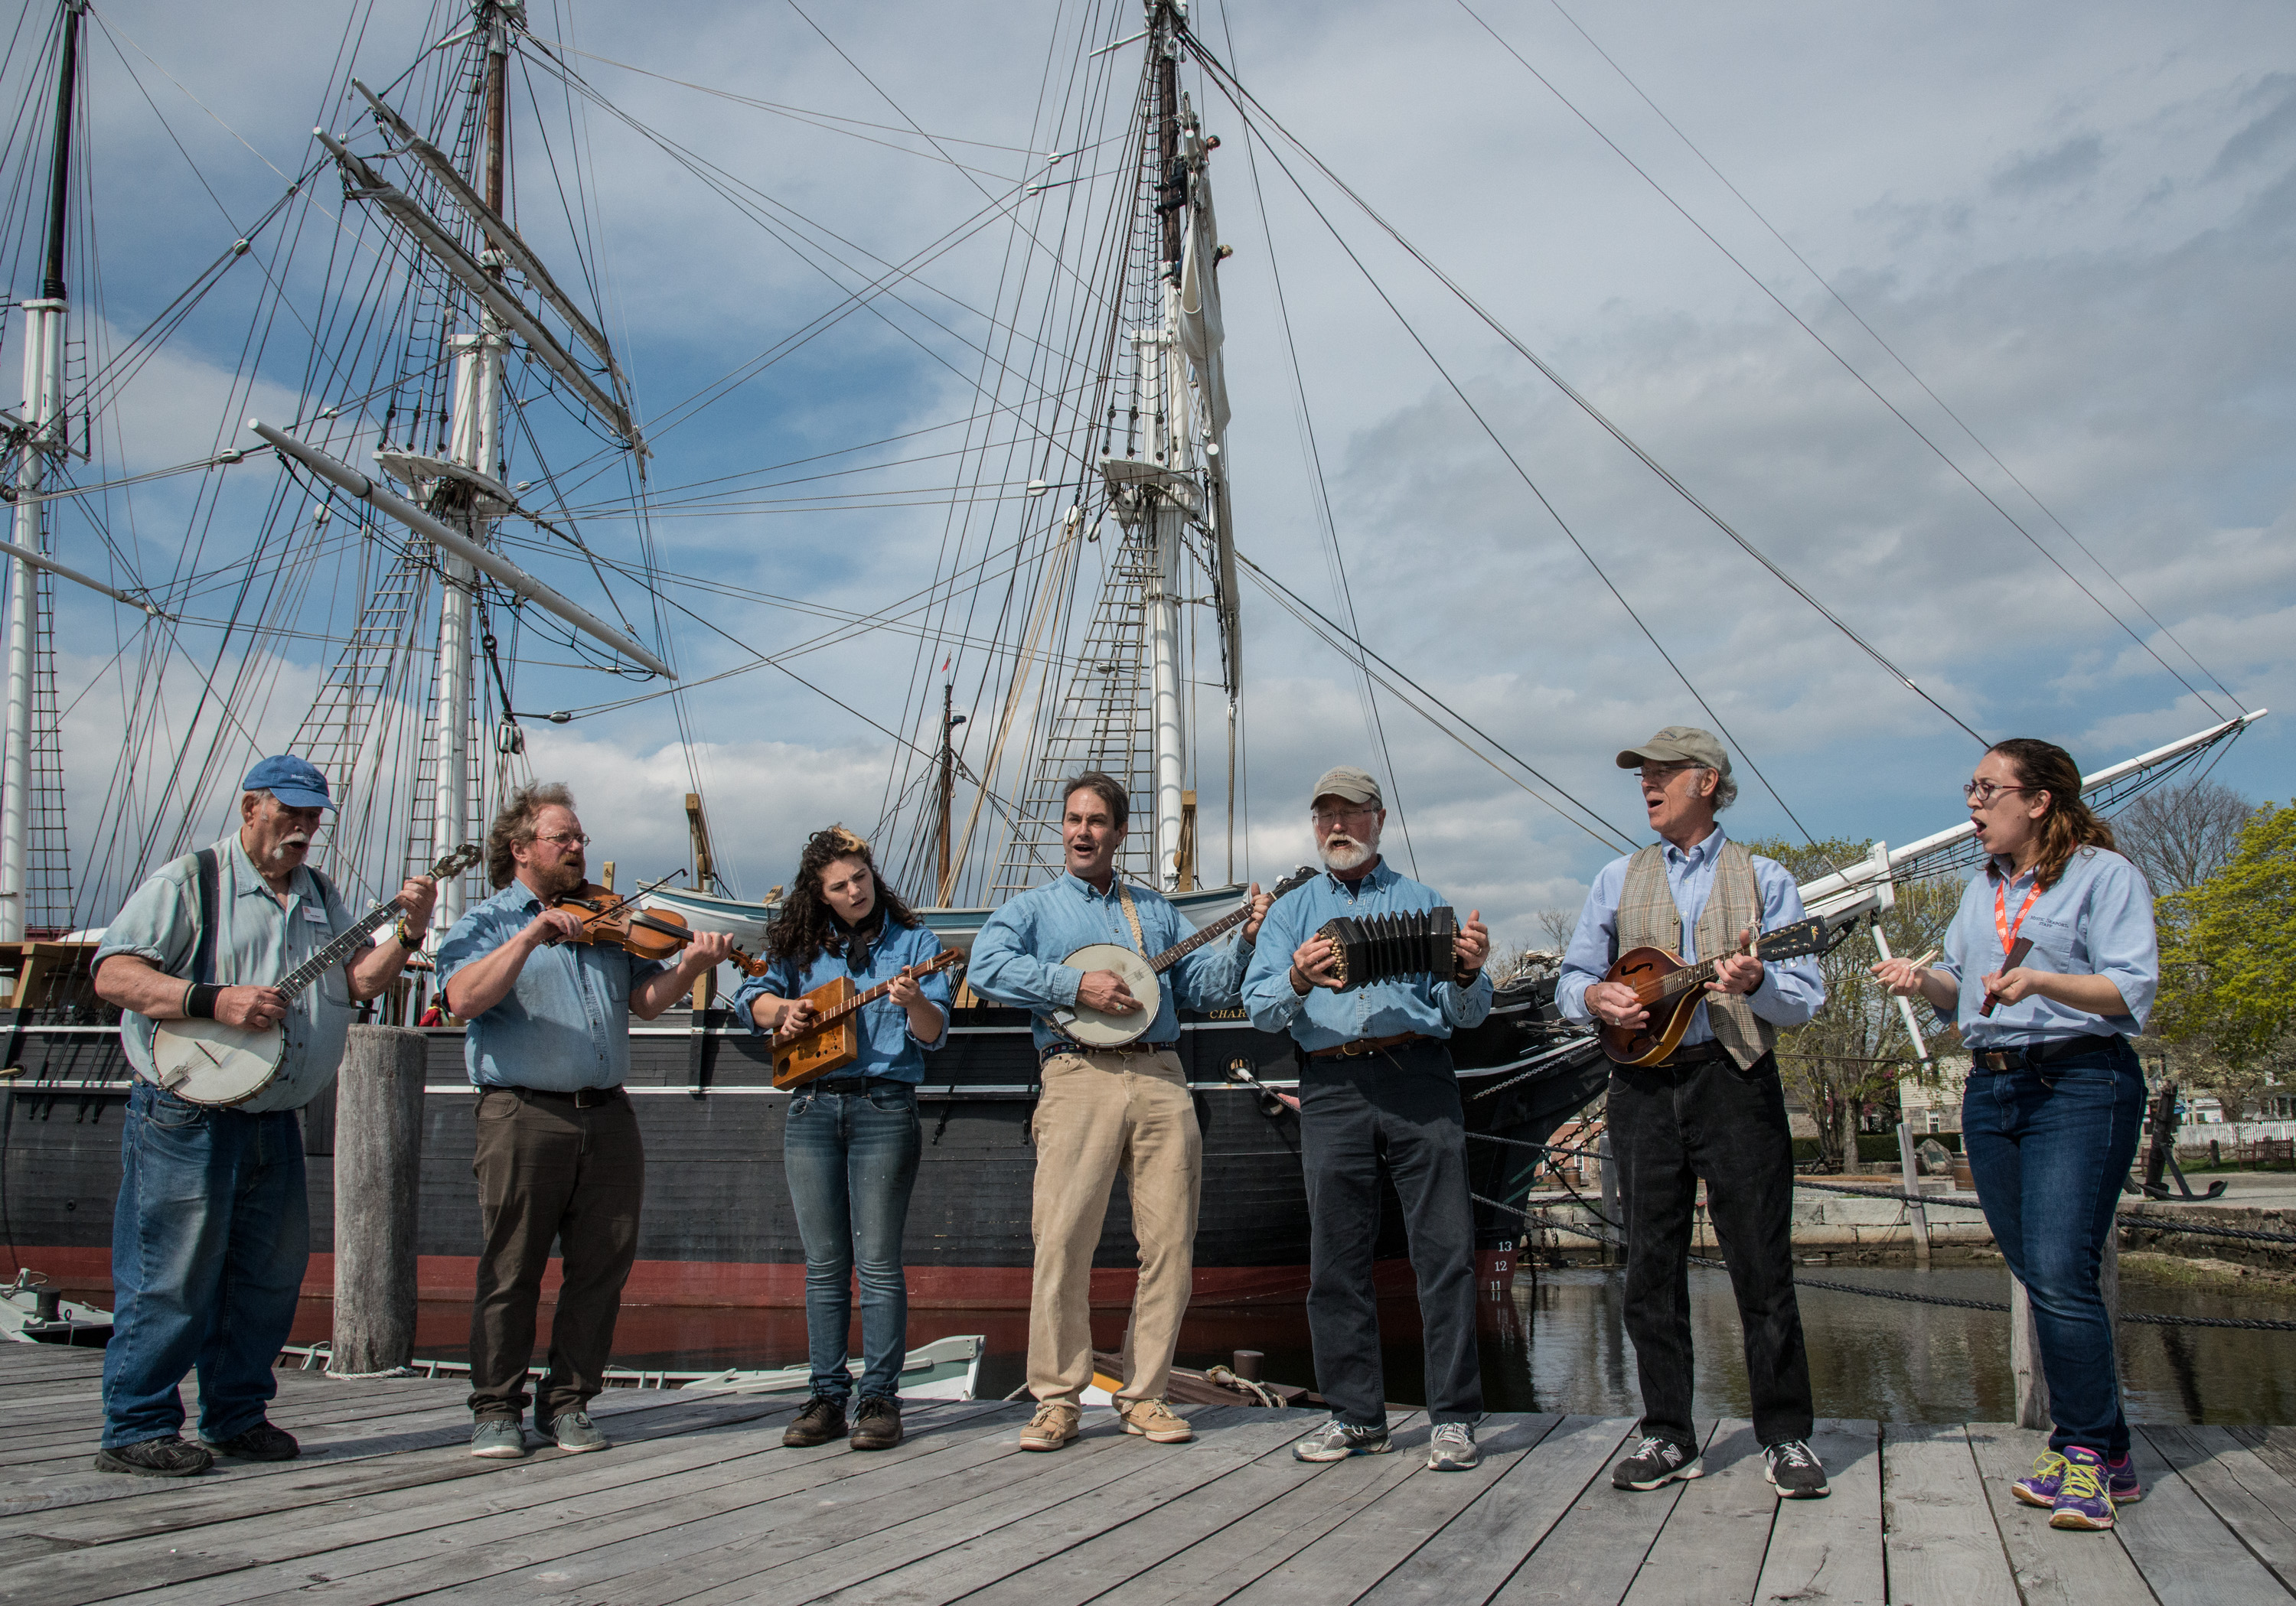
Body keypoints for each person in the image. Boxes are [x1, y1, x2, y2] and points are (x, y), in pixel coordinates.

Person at [90, 755, 438, 1476]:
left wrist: (408, 933)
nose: (305, 829)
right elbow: (113, 972)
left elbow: (356, 980)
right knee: (171, 1273)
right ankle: (136, 1425)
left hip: (275, 1113)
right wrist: (213, 1001)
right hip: (188, 1113)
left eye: (314, 817)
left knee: (268, 1275)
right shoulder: (192, 882)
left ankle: (237, 1414)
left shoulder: (317, 892)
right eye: (292, 813)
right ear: (251, 806)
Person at [1874, 738, 2157, 1532]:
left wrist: (2042, 979)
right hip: (1993, 1084)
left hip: (2078, 1079)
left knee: (2064, 1267)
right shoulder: (1979, 890)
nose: (1972, 802)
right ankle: (2112, 1449)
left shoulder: (2107, 877)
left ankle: (2085, 1452)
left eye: (1986, 788)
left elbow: (2130, 987)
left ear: (2038, 800)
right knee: (2039, 1270)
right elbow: (1964, 993)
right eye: (1970, 786)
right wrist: (1922, 980)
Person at [1556, 727, 1831, 1500]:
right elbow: (1574, 975)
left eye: (1663, 772)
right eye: (1642, 773)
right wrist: (1593, 996)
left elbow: (1803, 995)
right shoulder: (1616, 876)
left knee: (1761, 1263)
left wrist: (1754, 985)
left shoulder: (1767, 878)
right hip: (1640, 1087)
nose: (1647, 782)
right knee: (1649, 1263)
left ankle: (1785, 1434)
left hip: (1734, 1078)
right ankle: (1667, 1431)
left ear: (1708, 781)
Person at [968, 771, 1269, 1452]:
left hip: (1163, 1075)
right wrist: (1075, 983)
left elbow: (1206, 988)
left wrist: (1247, 938)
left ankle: (1145, 1395)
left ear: (1120, 832)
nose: (1082, 831)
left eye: (1097, 821)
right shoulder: (1035, 909)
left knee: (1170, 1245)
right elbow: (985, 966)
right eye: (1073, 819)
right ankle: (1056, 1398)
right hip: (1077, 1074)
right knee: (1064, 1240)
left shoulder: (1155, 911)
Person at [435, 781, 731, 1460]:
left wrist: (690, 964)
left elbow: (648, 1002)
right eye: (563, 838)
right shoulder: (485, 923)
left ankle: (568, 1401)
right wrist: (533, 933)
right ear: (520, 849)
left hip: (606, 1113)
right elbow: (461, 998)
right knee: (512, 1266)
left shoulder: (601, 916)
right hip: (522, 1112)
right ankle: (496, 1408)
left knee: (601, 1266)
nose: (577, 849)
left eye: (580, 838)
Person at [1240, 766, 1494, 1473]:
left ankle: (1453, 1418)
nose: (1337, 827)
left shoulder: (1425, 902)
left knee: (1443, 1251)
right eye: (1325, 816)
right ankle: (1357, 1417)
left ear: (1379, 818)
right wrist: (1294, 977)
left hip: (1420, 1076)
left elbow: (1464, 1013)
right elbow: (1260, 1008)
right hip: (1331, 1083)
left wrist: (1470, 974)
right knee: (1336, 1259)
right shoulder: (1292, 912)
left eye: (1350, 813)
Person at [734, 826, 951, 1454]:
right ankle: (827, 1394)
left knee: (878, 1262)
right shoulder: (799, 947)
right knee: (824, 1265)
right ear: (821, 893)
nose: (854, 891)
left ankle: (880, 1397)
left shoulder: (916, 942)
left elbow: (934, 1034)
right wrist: (786, 1010)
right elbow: (752, 999)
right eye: (839, 885)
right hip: (811, 1106)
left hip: (885, 1105)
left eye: (860, 878)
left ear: (871, 875)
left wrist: (913, 1001)